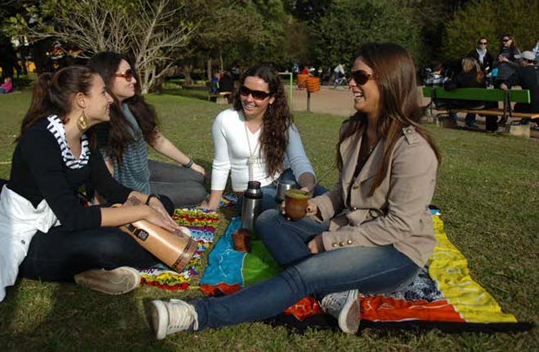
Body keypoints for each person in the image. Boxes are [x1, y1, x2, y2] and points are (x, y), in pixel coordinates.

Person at [150, 42, 441, 338]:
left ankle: (195, 314)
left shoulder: (413, 148)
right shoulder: (355, 131)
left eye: (360, 77)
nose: (351, 83)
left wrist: (328, 241)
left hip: (395, 250)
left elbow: (400, 225)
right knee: (268, 220)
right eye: (352, 75)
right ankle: (332, 296)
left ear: (390, 80)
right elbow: (344, 192)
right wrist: (317, 206)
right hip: (355, 227)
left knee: (304, 275)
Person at [0, 66, 182, 303]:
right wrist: (141, 212)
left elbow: (110, 188)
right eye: (103, 92)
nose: (110, 99)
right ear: (81, 100)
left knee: (164, 203)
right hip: (32, 238)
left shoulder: (84, 137)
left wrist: (152, 202)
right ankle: (99, 264)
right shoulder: (40, 140)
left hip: (62, 225)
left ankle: (95, 268)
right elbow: (74, 217)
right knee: (112, 243)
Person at [88, 52, 207, 209]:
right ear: (107, 77)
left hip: (144, 169)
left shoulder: (131, 105)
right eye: (128, 75)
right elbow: (104, 169)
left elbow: (156, 139)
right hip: (132, 189)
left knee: (197, 176)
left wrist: (191, 164)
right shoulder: (103, 116)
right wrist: (101, 206)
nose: (135, 81)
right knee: (197, 191)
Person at [200, 63, 324, 212]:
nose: (249, 99)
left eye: (258, 95)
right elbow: (221, 165)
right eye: (245, 91)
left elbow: (299, 161)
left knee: (325, 198)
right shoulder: (225, 120)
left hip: (285, 180)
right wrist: (213, 203)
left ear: (271, 98)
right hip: (252, 193)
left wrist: (308, 187)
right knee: (284, 206)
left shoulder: (283, 124)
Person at [487, 34, 521, 131]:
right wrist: (498, 61)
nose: (504, 42)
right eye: (503, 40)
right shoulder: (501, 51)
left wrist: (507, 61)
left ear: (511, 40)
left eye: (506, 40)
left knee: (505, 98)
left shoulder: (515, 51)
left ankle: (504, 116)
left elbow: (519, 65)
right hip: (499, 77)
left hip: (508, 77)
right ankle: (495, 116)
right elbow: (493, 65)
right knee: (495, 97)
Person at [446, 57, 486, 129]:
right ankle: (470, 121)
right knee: (473, 99)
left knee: (451, 102)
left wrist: (447, 83)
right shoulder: (480, 75)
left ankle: (453, 119)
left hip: (463, 103)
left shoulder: (460, 76)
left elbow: (450, 87)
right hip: (478, 104)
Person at [501, 51, 539, 127]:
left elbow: (503, 86)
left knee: (518, 106)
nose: (518, 61)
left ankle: (525, 121)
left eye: (520, 60)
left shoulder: (521, 71)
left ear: (526, 61)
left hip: (531, 108)